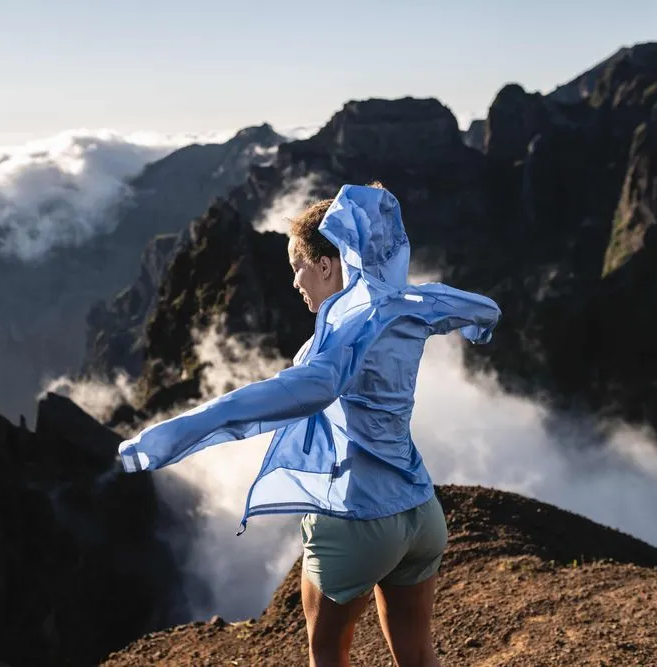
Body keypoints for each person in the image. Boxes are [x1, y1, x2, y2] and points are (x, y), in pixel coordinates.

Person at [118, 182, 501, 667]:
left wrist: (177, 433)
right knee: (417, 654)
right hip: (422, 513)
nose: (296, 281)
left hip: (357, 518)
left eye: (298, 265)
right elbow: (481, 307)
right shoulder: (404, 304)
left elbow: (309, 388)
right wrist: (474, 325)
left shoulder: (345, 334)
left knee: (327, 653)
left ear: (325, 264)